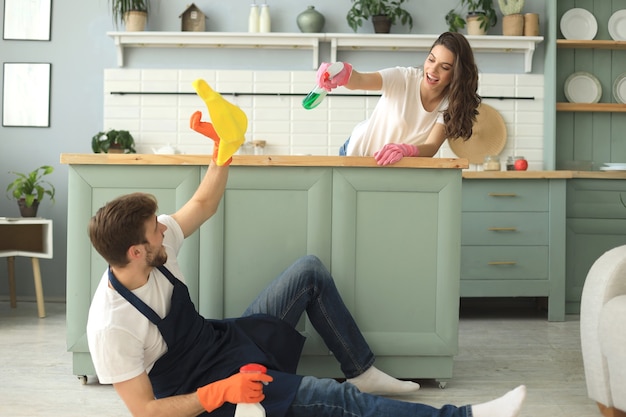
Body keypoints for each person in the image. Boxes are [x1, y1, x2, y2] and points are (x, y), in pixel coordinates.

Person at [86, 86, 526, 417]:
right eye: (154, 231)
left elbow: (202, 204)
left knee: (308, 272)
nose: (164, 230)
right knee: (332, 398)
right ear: (136, 252)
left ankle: (361, 368)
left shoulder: (154, 248)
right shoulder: (112, 326)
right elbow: (145, 410)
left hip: (220, 342)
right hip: (202, 388)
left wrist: (222, 153)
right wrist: (220, 393)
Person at [316, 32, 481, 166]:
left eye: (445, 67)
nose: (433, 69)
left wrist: (407, 150)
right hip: (355, 153)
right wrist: (343, 73)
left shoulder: (450, 104)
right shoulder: (403, 78)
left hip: (392, 165)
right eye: (431, 59)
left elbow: (431, 147)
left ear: (456, 74)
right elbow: (359, 80)